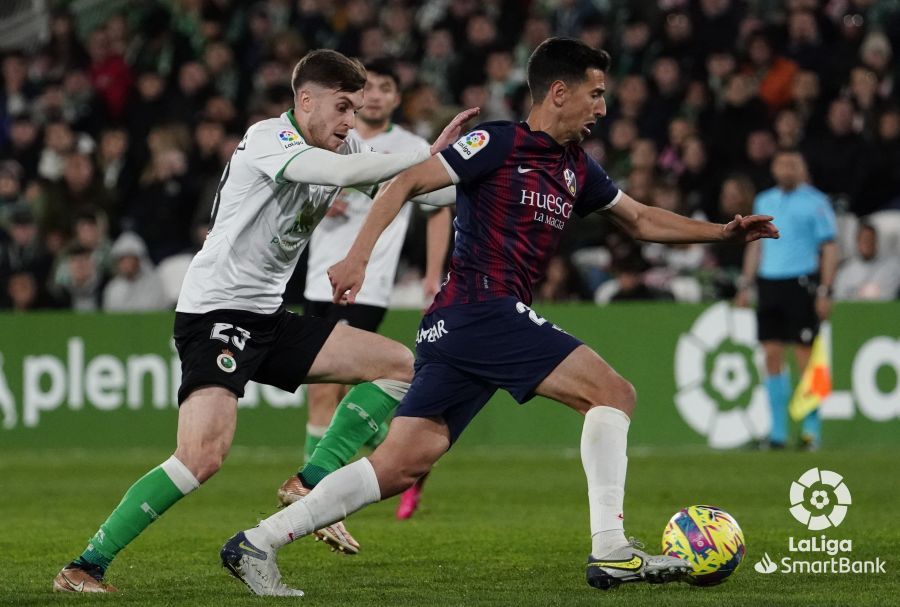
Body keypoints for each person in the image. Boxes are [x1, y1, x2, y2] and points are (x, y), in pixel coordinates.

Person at [221, 38, 778, 596]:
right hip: (481, 308)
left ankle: (259, 541)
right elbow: (410, 181)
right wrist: (359, 255)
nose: (602, 109)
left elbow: (640, 219)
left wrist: (722, 233)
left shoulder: (575, 168)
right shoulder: (499, 140)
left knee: (398, 467)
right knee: (613, 394)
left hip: (462, 325)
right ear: (559, 92)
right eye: (596, 94)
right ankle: (610, 548)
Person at [53, 48, 475, 594]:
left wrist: (475, 171)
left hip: (268, 316)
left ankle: (311, 480)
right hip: (215, 313)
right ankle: (85, 565)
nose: (351, 121)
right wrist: (421, 154)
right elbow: (342, 172)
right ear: (306, 101)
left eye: (355, 110)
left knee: (397, 365)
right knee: (201, 458)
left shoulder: (343, 144)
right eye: (343, 107)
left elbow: (424, 193)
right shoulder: (267, 138)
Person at [283, 59, 452, 522]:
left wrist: (433, 271)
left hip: (368, 281)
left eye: (385, 87)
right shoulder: (328, 138)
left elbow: (438, 208)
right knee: (325, 393)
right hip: (323, 272)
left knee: (333, 389)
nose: (374, 96)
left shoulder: (412, 147)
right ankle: (401, 459)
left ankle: (314, 494)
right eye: (367, 89)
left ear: (397, 97)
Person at [735, 149, 837, 450]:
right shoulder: (764, 200)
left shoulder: (817, 202)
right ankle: (777, 432)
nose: (786, 169)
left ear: (803, 169)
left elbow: (829, 248)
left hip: (801, 282)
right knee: (771, 357)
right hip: (769, 283)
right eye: (781, 164)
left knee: (807, 358)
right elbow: (755, 246)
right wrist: (745, 283)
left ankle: (811, 429)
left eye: (792, 164)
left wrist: (826, 290)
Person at [833, 222, 900, 301]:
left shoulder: (891, 267)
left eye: (870, 239)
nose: (867, 243)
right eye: (864, 239)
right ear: (857, 241)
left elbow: (891, 294)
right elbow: (839, 296)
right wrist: (858, 294)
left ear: (876, 241)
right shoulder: (845, 271)